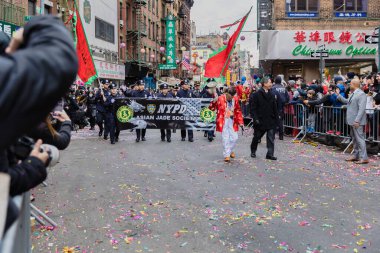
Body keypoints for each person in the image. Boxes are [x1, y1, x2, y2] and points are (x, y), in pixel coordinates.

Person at [336, 79, 369, 164]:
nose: (349, 85)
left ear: (354, 84)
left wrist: (357, 120)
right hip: (352, 121)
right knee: (354, 139)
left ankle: (364, 157)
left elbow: (361, 109)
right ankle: (356, 155)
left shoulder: (361, 94)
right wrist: (338, 95)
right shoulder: (354, 93)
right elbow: (347, 102)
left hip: (357, 121)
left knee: (360, 139)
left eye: (350, 84)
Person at [209, 87, 243, 162]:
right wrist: (214, 101)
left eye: (232, 97)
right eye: (229, 96)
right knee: (225, 138)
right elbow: (211, 108)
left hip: (232, 121)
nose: (230, 98)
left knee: (235, 137)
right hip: (223, 120)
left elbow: (238, 111)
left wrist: (240, 122)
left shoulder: (235, 99)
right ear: (226, 93)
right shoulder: (220, 98)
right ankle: (227, 154)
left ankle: (230, 150)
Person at [250, 77, 278, 160]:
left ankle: (270, 154)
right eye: (269, 82)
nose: (271, 84)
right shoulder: (256, 94)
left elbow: (275, 108)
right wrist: (255, 119)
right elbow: (253, 108)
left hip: (270, 120)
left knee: (270, 138)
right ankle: (253, 151)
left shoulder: (272, 94)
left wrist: (277, 119)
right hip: (260, 120)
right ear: (264, 84)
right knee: (257, 137)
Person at [272, 75, 290, 140]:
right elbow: (287, 98)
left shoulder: (273, 88)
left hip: (274, 106)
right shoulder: (284, 88)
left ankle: (273, 135)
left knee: (273, 121)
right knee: (280, 121)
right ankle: (281, 136)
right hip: (282, 107)